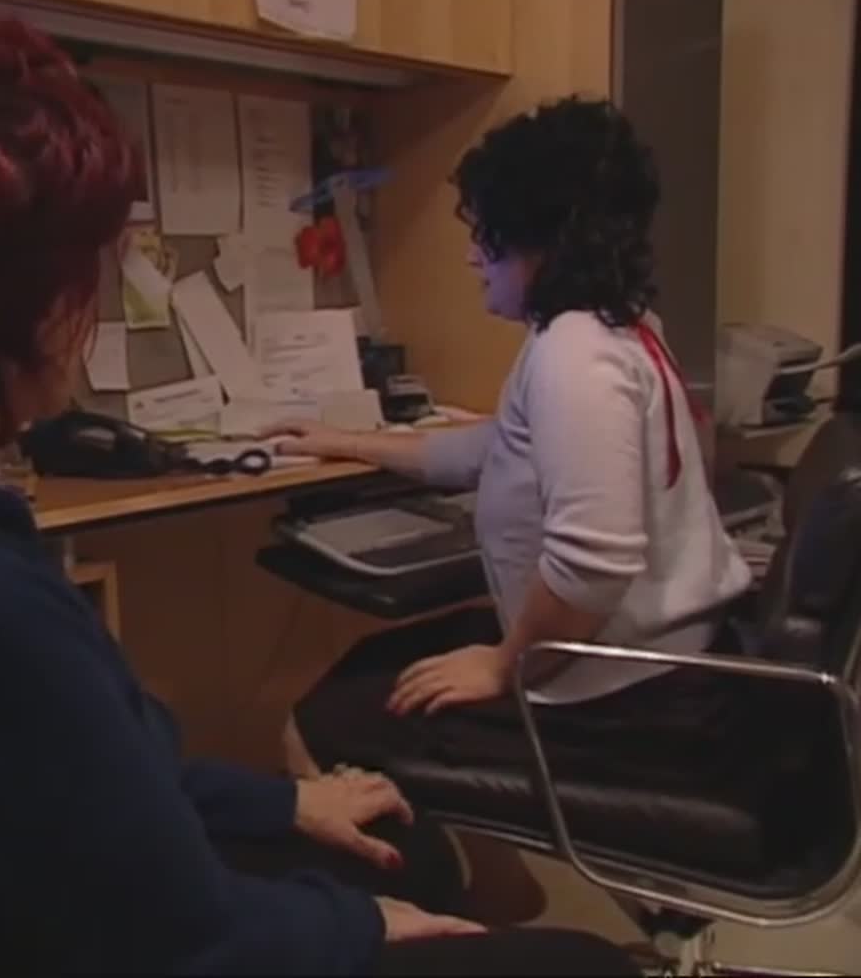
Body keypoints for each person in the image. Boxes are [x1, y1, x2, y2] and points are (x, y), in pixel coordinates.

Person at [0, 7, 635, 976]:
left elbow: (81, 784)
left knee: (395, 846)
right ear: (19, 309)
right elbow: (184, 939)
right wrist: (361, 926)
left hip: (15, 914)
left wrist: (281, 803)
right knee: (578, 965)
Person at [276, 97, 754, 794]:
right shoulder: (621, 328)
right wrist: (346, 441)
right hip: (661, 667)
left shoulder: (574, 354)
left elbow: (592, 568)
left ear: (546, 240)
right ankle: (471, 861)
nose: (474, 254)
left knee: (316, 725)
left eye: (489, 234)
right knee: (373, 664)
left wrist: (502, 664)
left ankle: (412, 866)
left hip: (620, 700)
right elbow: (492, 450)